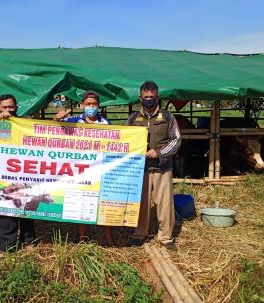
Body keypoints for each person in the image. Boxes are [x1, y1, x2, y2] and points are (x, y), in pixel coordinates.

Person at [54, 90, 114, 246]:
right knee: (82, 201)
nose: (91, 107)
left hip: (101, 168)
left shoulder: (106, 124)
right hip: (81, 169)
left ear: (99, 106)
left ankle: (107, 235)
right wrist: (57, 118)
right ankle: (82, 237)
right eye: (88, 104)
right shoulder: (74, 120)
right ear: (82, 106)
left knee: (104, 201)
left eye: (94, 104)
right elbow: (54, 130)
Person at [126, 81, 181, 251]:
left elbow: (176, 140)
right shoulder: (133, 118)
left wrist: (160, 152)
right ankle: (139, 234)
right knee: (141, 203)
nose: (148, 100)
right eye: (145, 97)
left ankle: (165, 237)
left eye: (151, 97)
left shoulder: (167, 117)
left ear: (157, 97)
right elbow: (125, 140)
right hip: (140, 168)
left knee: (164, 203)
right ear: (140, 98)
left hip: (162, 167)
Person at [0, 94, 36, 252]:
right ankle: (7, 245)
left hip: (26, 172)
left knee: (28, 205)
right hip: (5, 174)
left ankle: (28, 240)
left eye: (11, 107)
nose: (8, 110)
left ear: (17, 107)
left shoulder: (25, 123)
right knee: (6, 206)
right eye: (4, 107)